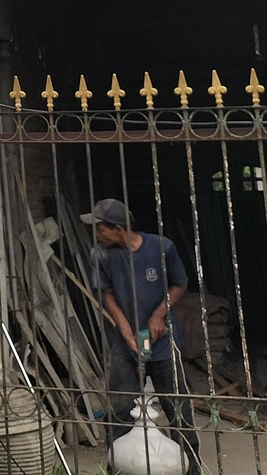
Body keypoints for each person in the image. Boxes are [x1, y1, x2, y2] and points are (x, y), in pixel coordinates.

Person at [83, 197, 204, 474]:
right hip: (124, 344)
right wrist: (125, 329)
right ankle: (118, 467)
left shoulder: (162, 248)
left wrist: (158, 315)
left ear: (118, 228)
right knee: (120, 409)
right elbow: (107, 294)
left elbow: (180, 283)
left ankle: (192, 467)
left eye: (101, 228)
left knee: (177, 408)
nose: (97, 234)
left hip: (162, 341)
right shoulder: (100, 255)